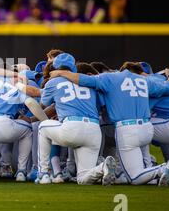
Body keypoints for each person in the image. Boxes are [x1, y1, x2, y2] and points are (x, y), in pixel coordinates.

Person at [49, 61, 169, 186]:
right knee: (136, 169)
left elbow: (83, 79)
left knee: (134, 177)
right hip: (147, 128)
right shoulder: (144, 80)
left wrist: (62, 73)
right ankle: (158, 168)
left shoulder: (110, 78)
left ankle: (162, 169)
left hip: (127, 130)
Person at [35, 53, 117, 185]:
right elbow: (101, 105)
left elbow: (43, 104)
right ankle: (103, 167)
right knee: (83, 178)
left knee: (43, 127)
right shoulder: (88, 81)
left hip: (72, 128)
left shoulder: (53, 82)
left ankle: (43, 173)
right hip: (94, 130)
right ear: (73, 67)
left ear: (55, 67)